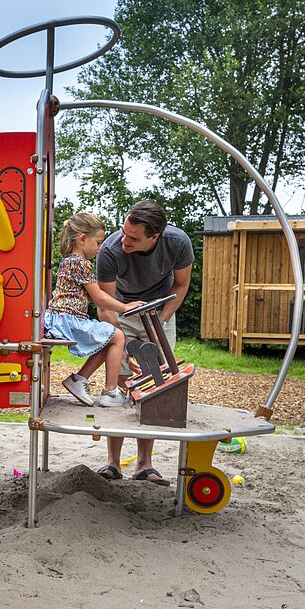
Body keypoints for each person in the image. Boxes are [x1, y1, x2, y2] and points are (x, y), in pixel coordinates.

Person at [94, 199, 195, 483]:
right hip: (121, 309)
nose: (124, 240)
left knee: (156, 384)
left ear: (155, 236)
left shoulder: (177, 243)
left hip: (160, 310)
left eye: (134, 238)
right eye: (124, 232)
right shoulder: (110, 250)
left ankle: (144, 465)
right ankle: (113, 463)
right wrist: (124, 347)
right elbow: (105, 306)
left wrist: (161, 321)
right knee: (120, 384)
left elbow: (181, 285)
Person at [45, 212, 143, 407]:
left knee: (108, 338)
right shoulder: (80, 263)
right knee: (117, 336)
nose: (100, 248)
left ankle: (79, 379)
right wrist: (125, 306)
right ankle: (111, 392)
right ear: (82, 239)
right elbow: (99, 297)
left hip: (62, 317)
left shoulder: (70, 261)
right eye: (98, 243)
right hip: (67, 319)